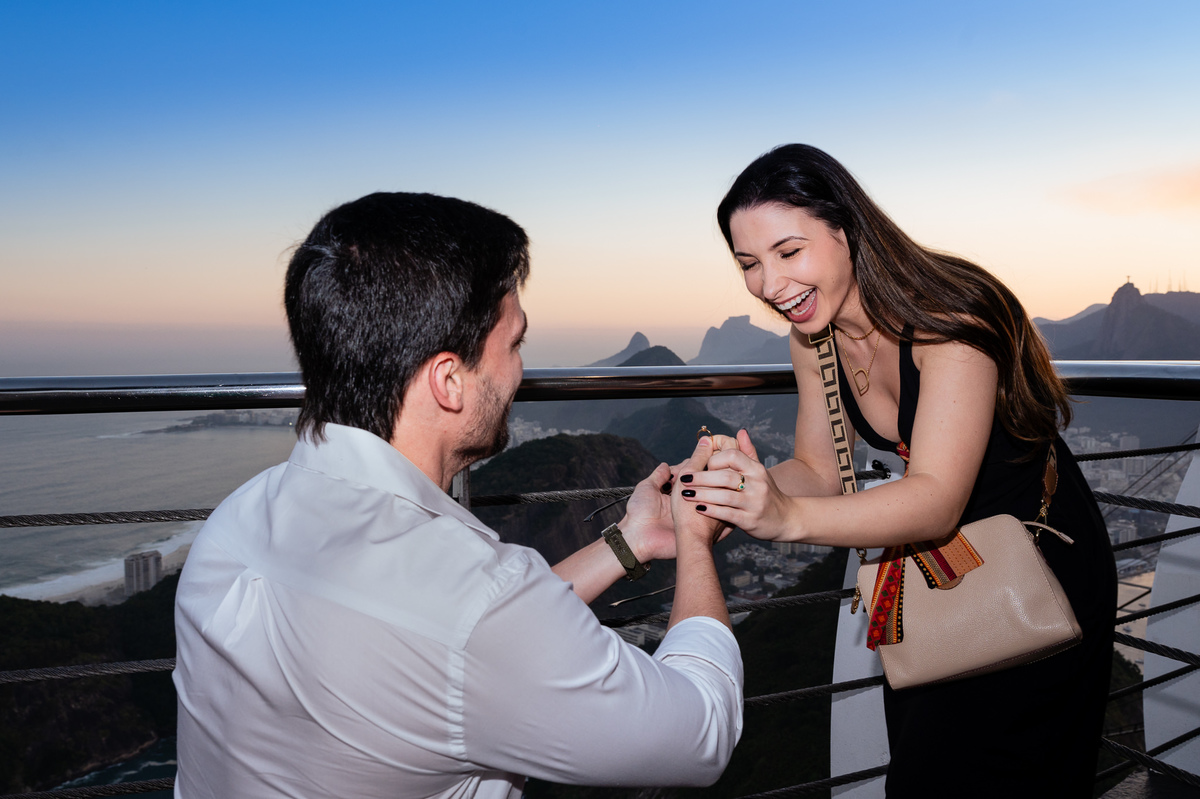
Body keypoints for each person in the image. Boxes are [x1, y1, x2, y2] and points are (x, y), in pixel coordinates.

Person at [172, 192, 742, 799]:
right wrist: (694, 537)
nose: (519, 372)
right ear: (449, 380)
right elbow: (703, 733)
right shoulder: (469, 604)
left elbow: (459, 638)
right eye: (515, 344)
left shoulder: (235, 524)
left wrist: (630, 541)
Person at [679, 145, 1116, 797]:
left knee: (1025, 773)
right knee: (922, 772)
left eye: (788, 252)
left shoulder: (951, 318)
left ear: (846, 228)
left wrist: (786, 517)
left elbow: (936, 499)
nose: (769, 285)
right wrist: (725, 493)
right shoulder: (813, 338)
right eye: (749, 264)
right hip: (940, 577)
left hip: (1033, 565)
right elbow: (817, 471)